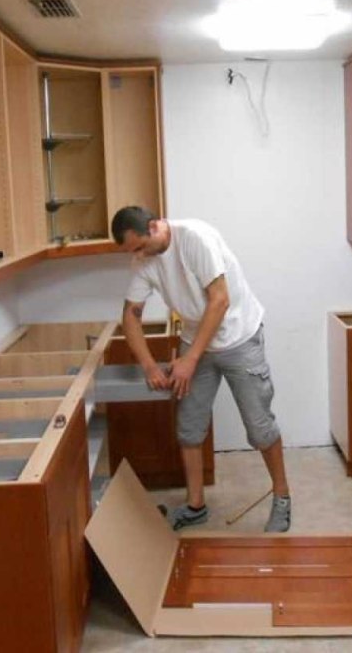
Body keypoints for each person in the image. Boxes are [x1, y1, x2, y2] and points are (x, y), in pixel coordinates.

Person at [111, 206, 292, 532]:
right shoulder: (142, 261)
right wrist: (149, 366)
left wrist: (189, 360)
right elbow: (130, 316)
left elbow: (219, 301)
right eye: (131, 251)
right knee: (189, 428)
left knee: (260, 428)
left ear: (154, 227)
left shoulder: (195, 238)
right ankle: (195, 506)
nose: (136, 256)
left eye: (139, 247)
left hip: (239, 336)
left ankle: (282, 497)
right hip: (197, 340)